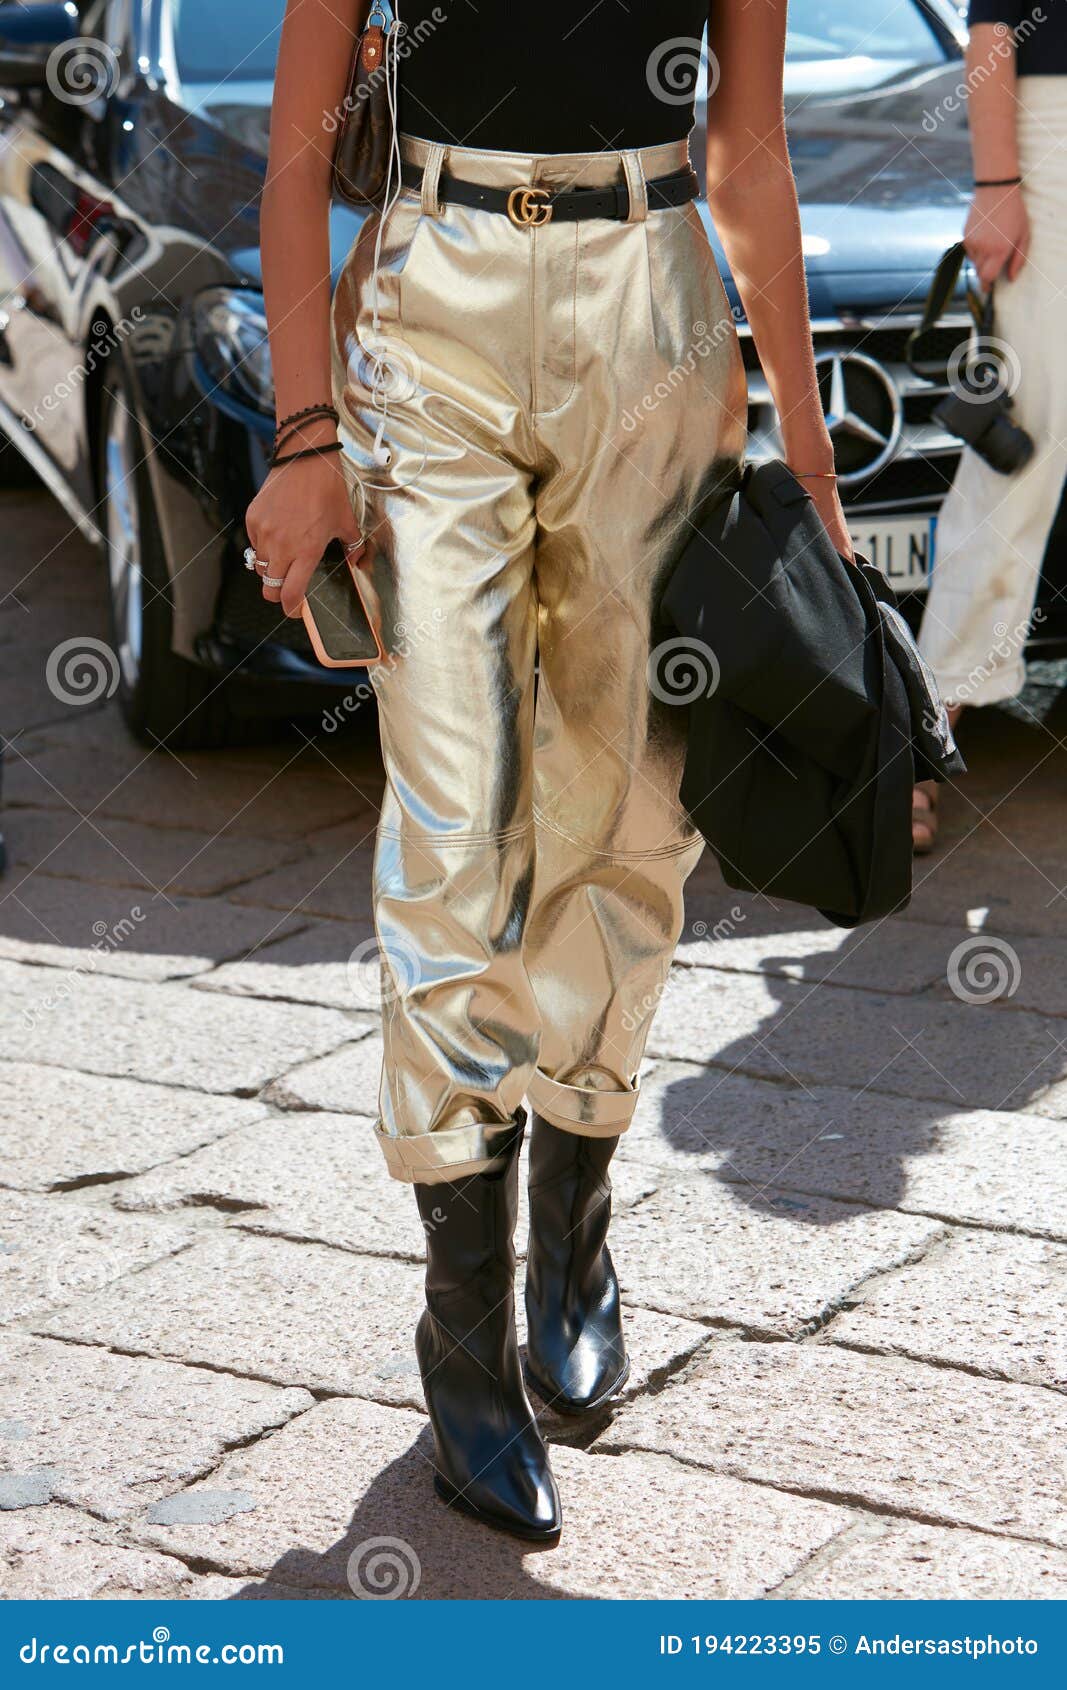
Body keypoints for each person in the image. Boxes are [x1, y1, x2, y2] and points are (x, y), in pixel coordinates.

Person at [246, 0, 849, 1540]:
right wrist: (305, 434)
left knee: (626, 813)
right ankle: (461, 1335)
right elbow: (297, 149)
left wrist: (805, 443)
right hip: (427, 313)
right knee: (454, 822)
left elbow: (747, 147)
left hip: (651, 311)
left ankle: (573, 1222)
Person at [914, 1, 1067, 851]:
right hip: (1052, 127)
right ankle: (921, 725)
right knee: (1023, 445)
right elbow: (994, 22)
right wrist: (997, 184)